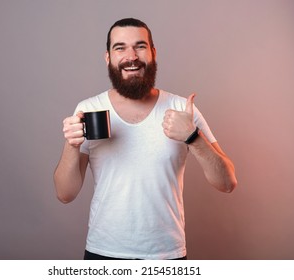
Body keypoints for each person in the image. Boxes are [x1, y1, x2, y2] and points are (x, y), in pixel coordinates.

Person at [54, 18, 237, 260]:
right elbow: (65, 194)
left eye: (140, 46)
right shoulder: (89, 110)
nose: (131, 56)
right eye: (120, 48)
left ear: (153, 53)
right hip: (104, 252)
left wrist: (194, 137)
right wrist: (72, 144)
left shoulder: (182, 109)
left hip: (166, 255)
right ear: (108, 57)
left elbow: (227, 183)